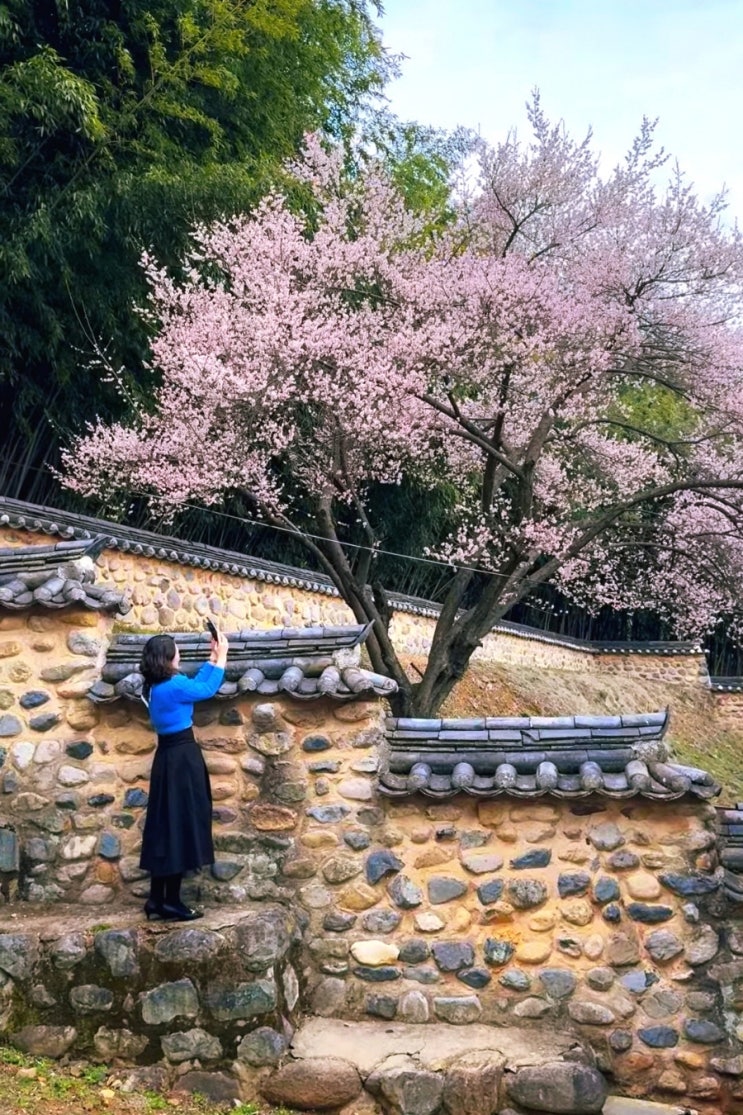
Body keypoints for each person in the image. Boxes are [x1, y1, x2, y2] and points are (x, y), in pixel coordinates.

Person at [138, 628, 229, 921]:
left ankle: (156, 899)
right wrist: (223, 656)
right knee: (180, 824)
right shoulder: (172, 686)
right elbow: (205, 690)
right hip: (182, 759)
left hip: (167, 757)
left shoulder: (155, 686)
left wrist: (212, 660)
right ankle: (172, 902)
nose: (180, 654)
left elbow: (194, 683)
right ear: (167, 657)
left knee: (165, 825)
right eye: (176, 651)